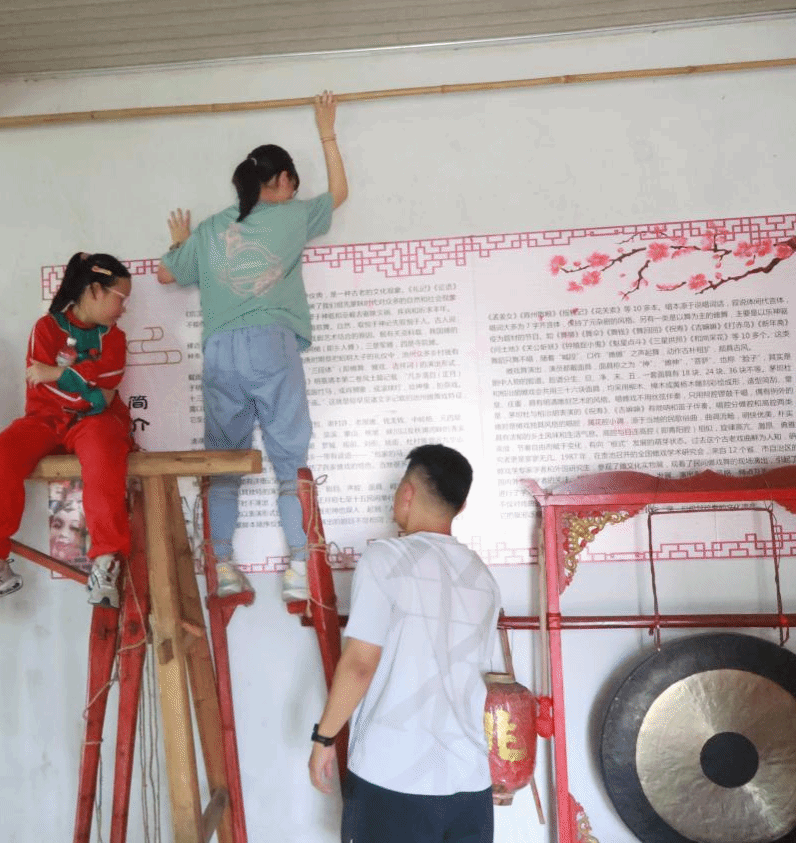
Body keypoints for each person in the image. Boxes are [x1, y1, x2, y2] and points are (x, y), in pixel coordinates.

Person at [156, 91, 348, 601]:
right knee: (290, 460)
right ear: (281, 180)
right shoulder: (291, 216)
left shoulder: (211, 228)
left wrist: (180, 244)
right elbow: (340, 192)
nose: (294, 192)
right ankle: (299, 569)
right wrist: (327, 132)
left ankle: (221, 567)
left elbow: (166, 274)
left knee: (223, 462)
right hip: (271, 344)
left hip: (220, 351)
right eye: (292, 183)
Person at [308, 445, 501, 843]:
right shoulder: (483, 576)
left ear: (407, 493)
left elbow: (360, 664)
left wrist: (325, 738)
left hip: (392, 780)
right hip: (470, 783)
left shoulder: (385, 559)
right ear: (461, 506)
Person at [0, 252, 134, 611]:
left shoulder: (115, 338)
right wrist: (85, 384)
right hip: (44, 420)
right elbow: (55, 388)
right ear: (94, 290)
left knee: (103, 448)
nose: (124, 309)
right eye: (121, 298)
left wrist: (58, 374)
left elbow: (106, 396)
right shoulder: (46, 328)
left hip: (93, 423)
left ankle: (105, 562)